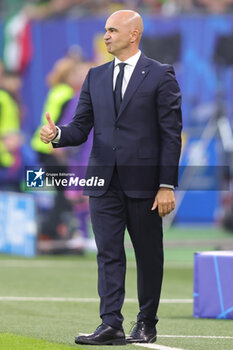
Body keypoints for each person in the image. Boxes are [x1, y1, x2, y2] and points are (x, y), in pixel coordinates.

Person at [40, 10, 182, 345]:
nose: (105, 35)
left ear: (134, 34)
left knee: (148, 255)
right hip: (101, 182)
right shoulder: (95, 76)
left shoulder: (161, 75)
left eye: (112, 30)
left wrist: (166, 184)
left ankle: (146, 322)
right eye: (105, 30)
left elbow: (171, 133)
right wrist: (58, 133)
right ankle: (111, 324)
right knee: (108, 253)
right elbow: (80, 127)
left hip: (145, 184)